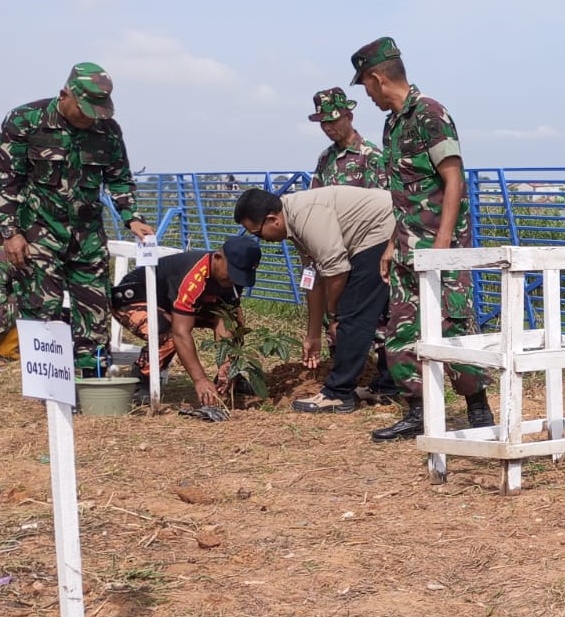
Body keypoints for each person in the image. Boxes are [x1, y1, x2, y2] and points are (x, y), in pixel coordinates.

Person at [349, 36, 494, 440]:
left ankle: (477, 406)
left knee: (455, 327)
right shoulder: (392, 123)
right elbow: (403, 193)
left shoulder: (430, 113)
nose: (368, 95)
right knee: (401, 331)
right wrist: (394, 242)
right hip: (406, 248)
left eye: (365, 85)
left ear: (377, 79)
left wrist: (444, 244)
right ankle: (418, 410)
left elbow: (453, 179)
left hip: (440, 246)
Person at [0, 62, 155, 376]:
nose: (90, 119)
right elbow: (6, 180)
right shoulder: (25, 121)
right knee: (43, 310)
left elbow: (120, 179)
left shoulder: (107, 130)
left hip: (86, 237)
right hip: (36, 233)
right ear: (64, 95)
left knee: (94, 311)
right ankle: (46, 385)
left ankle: (92, 381)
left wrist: (132, 218)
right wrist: (10, 232)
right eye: (84, 111)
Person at [234, 185, 400, 412]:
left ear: (273, 220)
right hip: (373, 234)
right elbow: (314, 279)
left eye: (257, 233)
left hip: (384, 231)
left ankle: (339, 394)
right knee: (377, 312)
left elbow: (336, 271)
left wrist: (334, 315)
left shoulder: (306, 217)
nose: (261, 239)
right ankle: (388, 386)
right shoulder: (293, 223)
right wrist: (313, 335)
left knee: (353, 313)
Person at [110, 236, 261, 407]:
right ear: (218, 258)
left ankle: (230, 377)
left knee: (233, 317)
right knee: (168, 334)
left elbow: (225, 320)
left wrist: (228, 365)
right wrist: (200, 379)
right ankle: (143, 378)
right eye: (232, 274)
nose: (234, 280)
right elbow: (180, 333)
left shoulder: (232, 279)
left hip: (171, 305)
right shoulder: (194, 277)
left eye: (240, 276)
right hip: (132, 299)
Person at [309, 87, 385, 189]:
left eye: (332, 121)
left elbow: (378, 200)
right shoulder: (325, 157)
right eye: (323, 123)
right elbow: (315, 196)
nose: (327, 128)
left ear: (349, 117)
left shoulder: (371, 155)